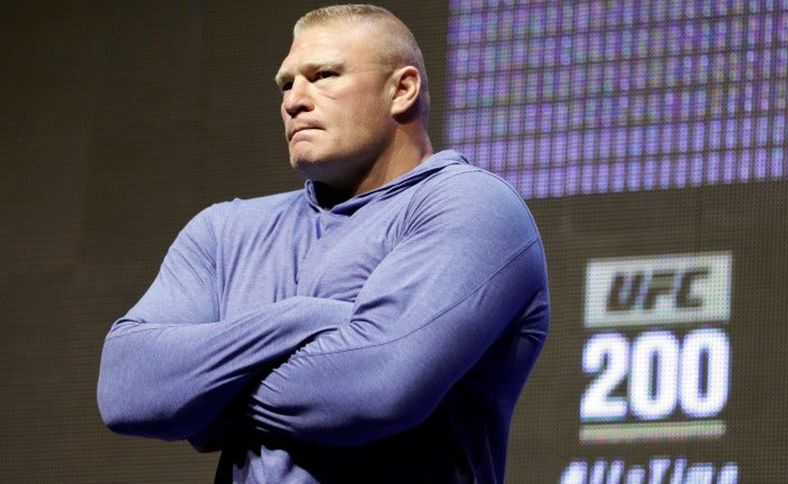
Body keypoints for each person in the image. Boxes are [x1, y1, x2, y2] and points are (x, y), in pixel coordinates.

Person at [97, 4, 549, 483]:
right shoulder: (223, 231)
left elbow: (375, 388)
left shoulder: (471, 205)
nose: (294, 101)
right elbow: (127, 387)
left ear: (402, 90)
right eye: (286, 84)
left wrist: (205, 398)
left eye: (324, 75)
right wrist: (305, 318)